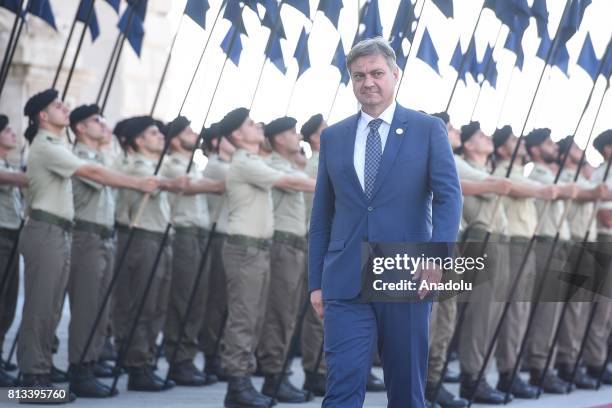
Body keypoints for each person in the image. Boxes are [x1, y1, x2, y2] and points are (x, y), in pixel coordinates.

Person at [308, 37, 462, 407]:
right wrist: (316, 283)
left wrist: (436, 257)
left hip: (405, 273)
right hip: (344, 281)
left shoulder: (427, 130)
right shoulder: (334, 137)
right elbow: (321, 216)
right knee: (341, 385)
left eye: (377, 73)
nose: (368, 82)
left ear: (395, 74)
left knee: (406, 389)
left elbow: (448, 196)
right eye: (358, 75)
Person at [16, 89, 157, 401]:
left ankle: (58, 372)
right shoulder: (46, 145)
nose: (65, 107)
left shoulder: (58, 146)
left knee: (53, 308)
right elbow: (90, 172)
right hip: (46, 229)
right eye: (57, 106)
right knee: (41, 308)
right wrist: (136, 183)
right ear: (42, 116)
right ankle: (33, 380)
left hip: (61, 231)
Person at [218, 108, 315, 408]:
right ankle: (237, 386)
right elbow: (291, 182)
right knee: (244, 318)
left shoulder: (254, 161)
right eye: (250, 124)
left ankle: (250, 381)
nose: (257, 125)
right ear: (236, 134)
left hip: (257, 249)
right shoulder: (245, 163)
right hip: (245, 249)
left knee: (257, 317)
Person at [116, 116, 187, 392]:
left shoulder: (154, 167)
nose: (161, 136)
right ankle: (136, 365)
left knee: (157, 307)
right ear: (138, 140)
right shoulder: (136, 166)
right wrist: (172, 183)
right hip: (143, 239)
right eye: (154, 133)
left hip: (160, 238)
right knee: (142, 305)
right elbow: (157, 183)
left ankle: (145, 361)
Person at [160, 116, 225, 386]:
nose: (193, 132)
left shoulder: (192, 166)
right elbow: (190, 187)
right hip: (185, 235)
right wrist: (227, 183)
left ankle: (186, 356)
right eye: (187, 130)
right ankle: (179, 360)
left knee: (197, 300)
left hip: (199, 235)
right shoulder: (170, 165)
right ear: (175, 139)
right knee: (182, 299)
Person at [256, 116, 312, 403]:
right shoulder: (276, 167)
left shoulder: (290, 166)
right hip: (282, 246)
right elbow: (309, 184)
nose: (297, 135)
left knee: (288, 313)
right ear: (278, 139)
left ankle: (278, 371)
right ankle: (273, 376)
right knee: (279, 313)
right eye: (291, 132)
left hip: (295, 245)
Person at [199, 122, 235, 384]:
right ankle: (212, 354)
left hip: (227, 235)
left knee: (225, 302)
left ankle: (218, 352)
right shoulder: (217, 166)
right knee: (217, 300)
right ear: (215, 142)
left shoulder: (230, 165)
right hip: (218, 236)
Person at [0, 114, 25, 388]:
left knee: (7, 303)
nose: (12, 133)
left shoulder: (9, 163)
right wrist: (25, 177)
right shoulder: (9, 170)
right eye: (6, 130)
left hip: (11, 235)